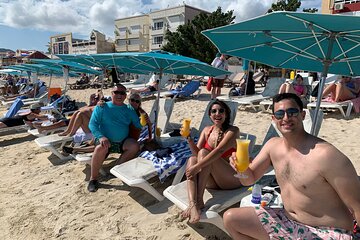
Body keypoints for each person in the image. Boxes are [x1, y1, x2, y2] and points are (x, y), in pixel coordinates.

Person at [223, 93, 360, 239]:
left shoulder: (326, 155)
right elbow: (248, 180)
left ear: (302, 114)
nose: (286, 118)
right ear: (273, 119)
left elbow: (357, 205)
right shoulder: (272, 146)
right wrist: (241, 168)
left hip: (327, 231)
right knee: (231, 218)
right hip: (288, 222)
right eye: (280, 114)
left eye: (292, 112)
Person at [182, 99, 240, 223]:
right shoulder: (206, 130)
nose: (217, 113)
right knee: (193, 159)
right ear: (210, 115)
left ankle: (198, 200)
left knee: (203, 154)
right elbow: (197, 155)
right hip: (213, 180)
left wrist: (197, 167)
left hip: (230, 178)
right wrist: (189, 139)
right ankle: (193, 204)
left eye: (221, 111)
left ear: (226, 114)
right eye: (214, 111)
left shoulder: (233, 131)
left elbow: (219, 150)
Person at [87, 84, 142, 192]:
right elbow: (92, 124)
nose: (119, 95)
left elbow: (138, 125)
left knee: (134, 146)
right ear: (112, 94)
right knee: (99, 148)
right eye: (116, 92)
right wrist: (101, 137)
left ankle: (115, 169)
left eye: (122, 93)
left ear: (125, 96)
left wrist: (140, 115)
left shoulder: (129, 110)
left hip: (122, 142)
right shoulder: (102, 107)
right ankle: (93, 179)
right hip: (105, 140)